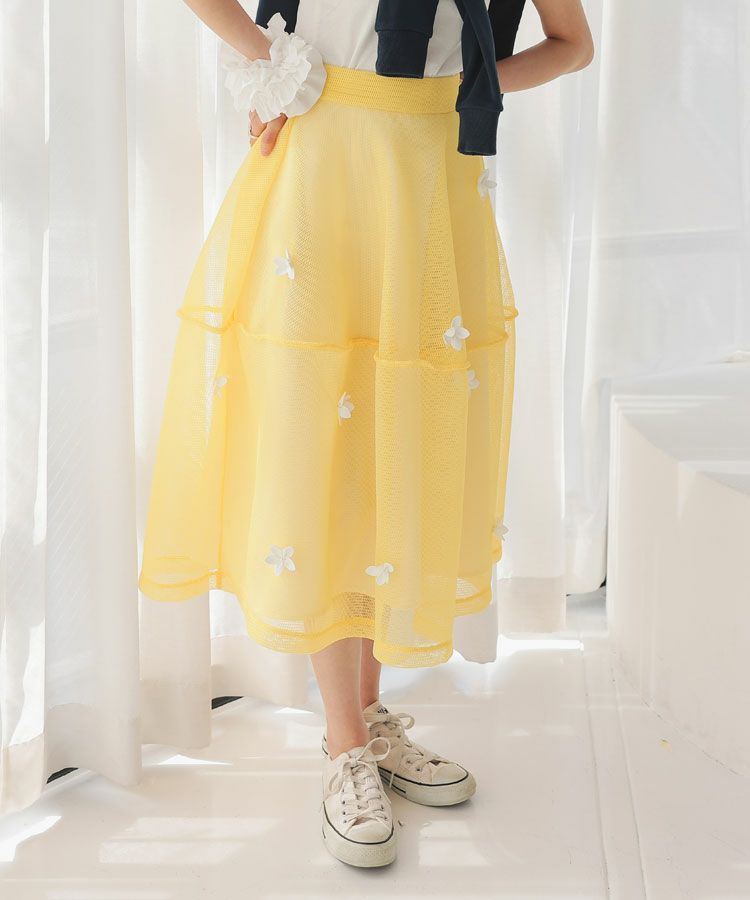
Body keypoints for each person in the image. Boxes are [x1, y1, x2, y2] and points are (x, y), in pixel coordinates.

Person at [138, 0, 593, 869]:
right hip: (324, 174)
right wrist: (274, 62)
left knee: (399, 448)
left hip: (432, 184)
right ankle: (344, 743)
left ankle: (369, 722)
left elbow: (573, 45)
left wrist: (472, 86)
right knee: (325, 448)